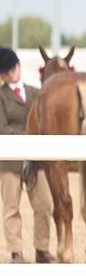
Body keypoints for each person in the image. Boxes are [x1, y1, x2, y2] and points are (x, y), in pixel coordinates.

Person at [0, 46, 55, 264]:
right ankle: (16, 252)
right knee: (11, 206)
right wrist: (29, 133)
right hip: (9, 160)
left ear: (18, 67)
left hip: (34, 158)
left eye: (11, 69)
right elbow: (2, 128)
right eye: (5, 71)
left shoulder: (36, 93)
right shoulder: (1, 97)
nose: (9, 74)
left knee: (44, 204)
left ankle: (42, 248)